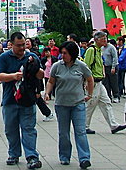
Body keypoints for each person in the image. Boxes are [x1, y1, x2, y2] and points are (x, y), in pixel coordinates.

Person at [0, 32, 43, 169]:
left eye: (23, 45)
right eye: (18, 45)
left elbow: (40, 75)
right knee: (11, 129)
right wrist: (13, 76)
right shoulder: (4, 57)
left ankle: (32, 156)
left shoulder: (32, 56)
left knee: (28, 128)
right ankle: (14, 154)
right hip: (10, 99)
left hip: (28, 99)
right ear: (11, 44)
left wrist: (35, 68)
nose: (22, 48)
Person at [45, 41, 94, 169]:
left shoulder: (81, 66)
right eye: (62, 53)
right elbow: (51, 81)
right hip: (61, 104)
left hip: (78, 104)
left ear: (72, 54)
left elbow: (90, 79)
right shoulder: (57, 66)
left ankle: (84, 158)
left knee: (80, 131)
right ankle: (64, 156)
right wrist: (47, 93)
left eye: (65, 53)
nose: (62, 55)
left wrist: (89, 94)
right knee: (64, 132)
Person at [83, 31, 126, 135]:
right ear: (97, 40)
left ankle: (113, 125)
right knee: (90, 105)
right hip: (93, 83)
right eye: (103, 39)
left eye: (105, 38)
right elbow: (86, 66)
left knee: (106, 103)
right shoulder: (91, 50)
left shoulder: (99, 50)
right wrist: (87, 82)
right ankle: (84, 126)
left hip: (99, 82)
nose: (105, 41)